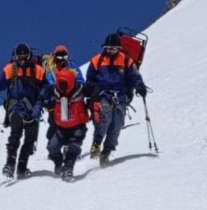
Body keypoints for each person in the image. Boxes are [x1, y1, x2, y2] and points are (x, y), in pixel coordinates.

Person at [0, 43, 48, 178]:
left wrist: (40, 107)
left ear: (30, 56)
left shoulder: (38, 70)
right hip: (15, 106)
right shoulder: (9, 69)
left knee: (30, 138)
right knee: (16, 131)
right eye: (20, 58)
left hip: (32, 108)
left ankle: (22, 168)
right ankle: (10, 164)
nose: (22, 61)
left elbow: (45, 91)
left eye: (25, 58)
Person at [83, 33, 147, 166]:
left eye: (114, 48)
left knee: (117, 125)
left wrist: (140, 86)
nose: (111, 51)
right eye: (108, 48)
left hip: (121, 96)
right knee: (104, 119)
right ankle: (96, 144)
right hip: (103, 95)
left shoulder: (126, 60)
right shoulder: (96, 60)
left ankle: (106, 152)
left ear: (119, 48)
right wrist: (91, 92)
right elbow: (90, 79)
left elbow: (134, 76)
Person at [45, 65, 89, 182]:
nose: (63, 87)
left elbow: (95, 89)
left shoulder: (81, 88)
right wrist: (41, 103)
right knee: (52, 147)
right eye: (61, 84)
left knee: (73, 148)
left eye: (66, 84)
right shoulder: (54, 90)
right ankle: (58, 162)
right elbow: (42, 94)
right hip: (60, 127)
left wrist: (94, 102)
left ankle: (68, 169)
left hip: (77, 126)